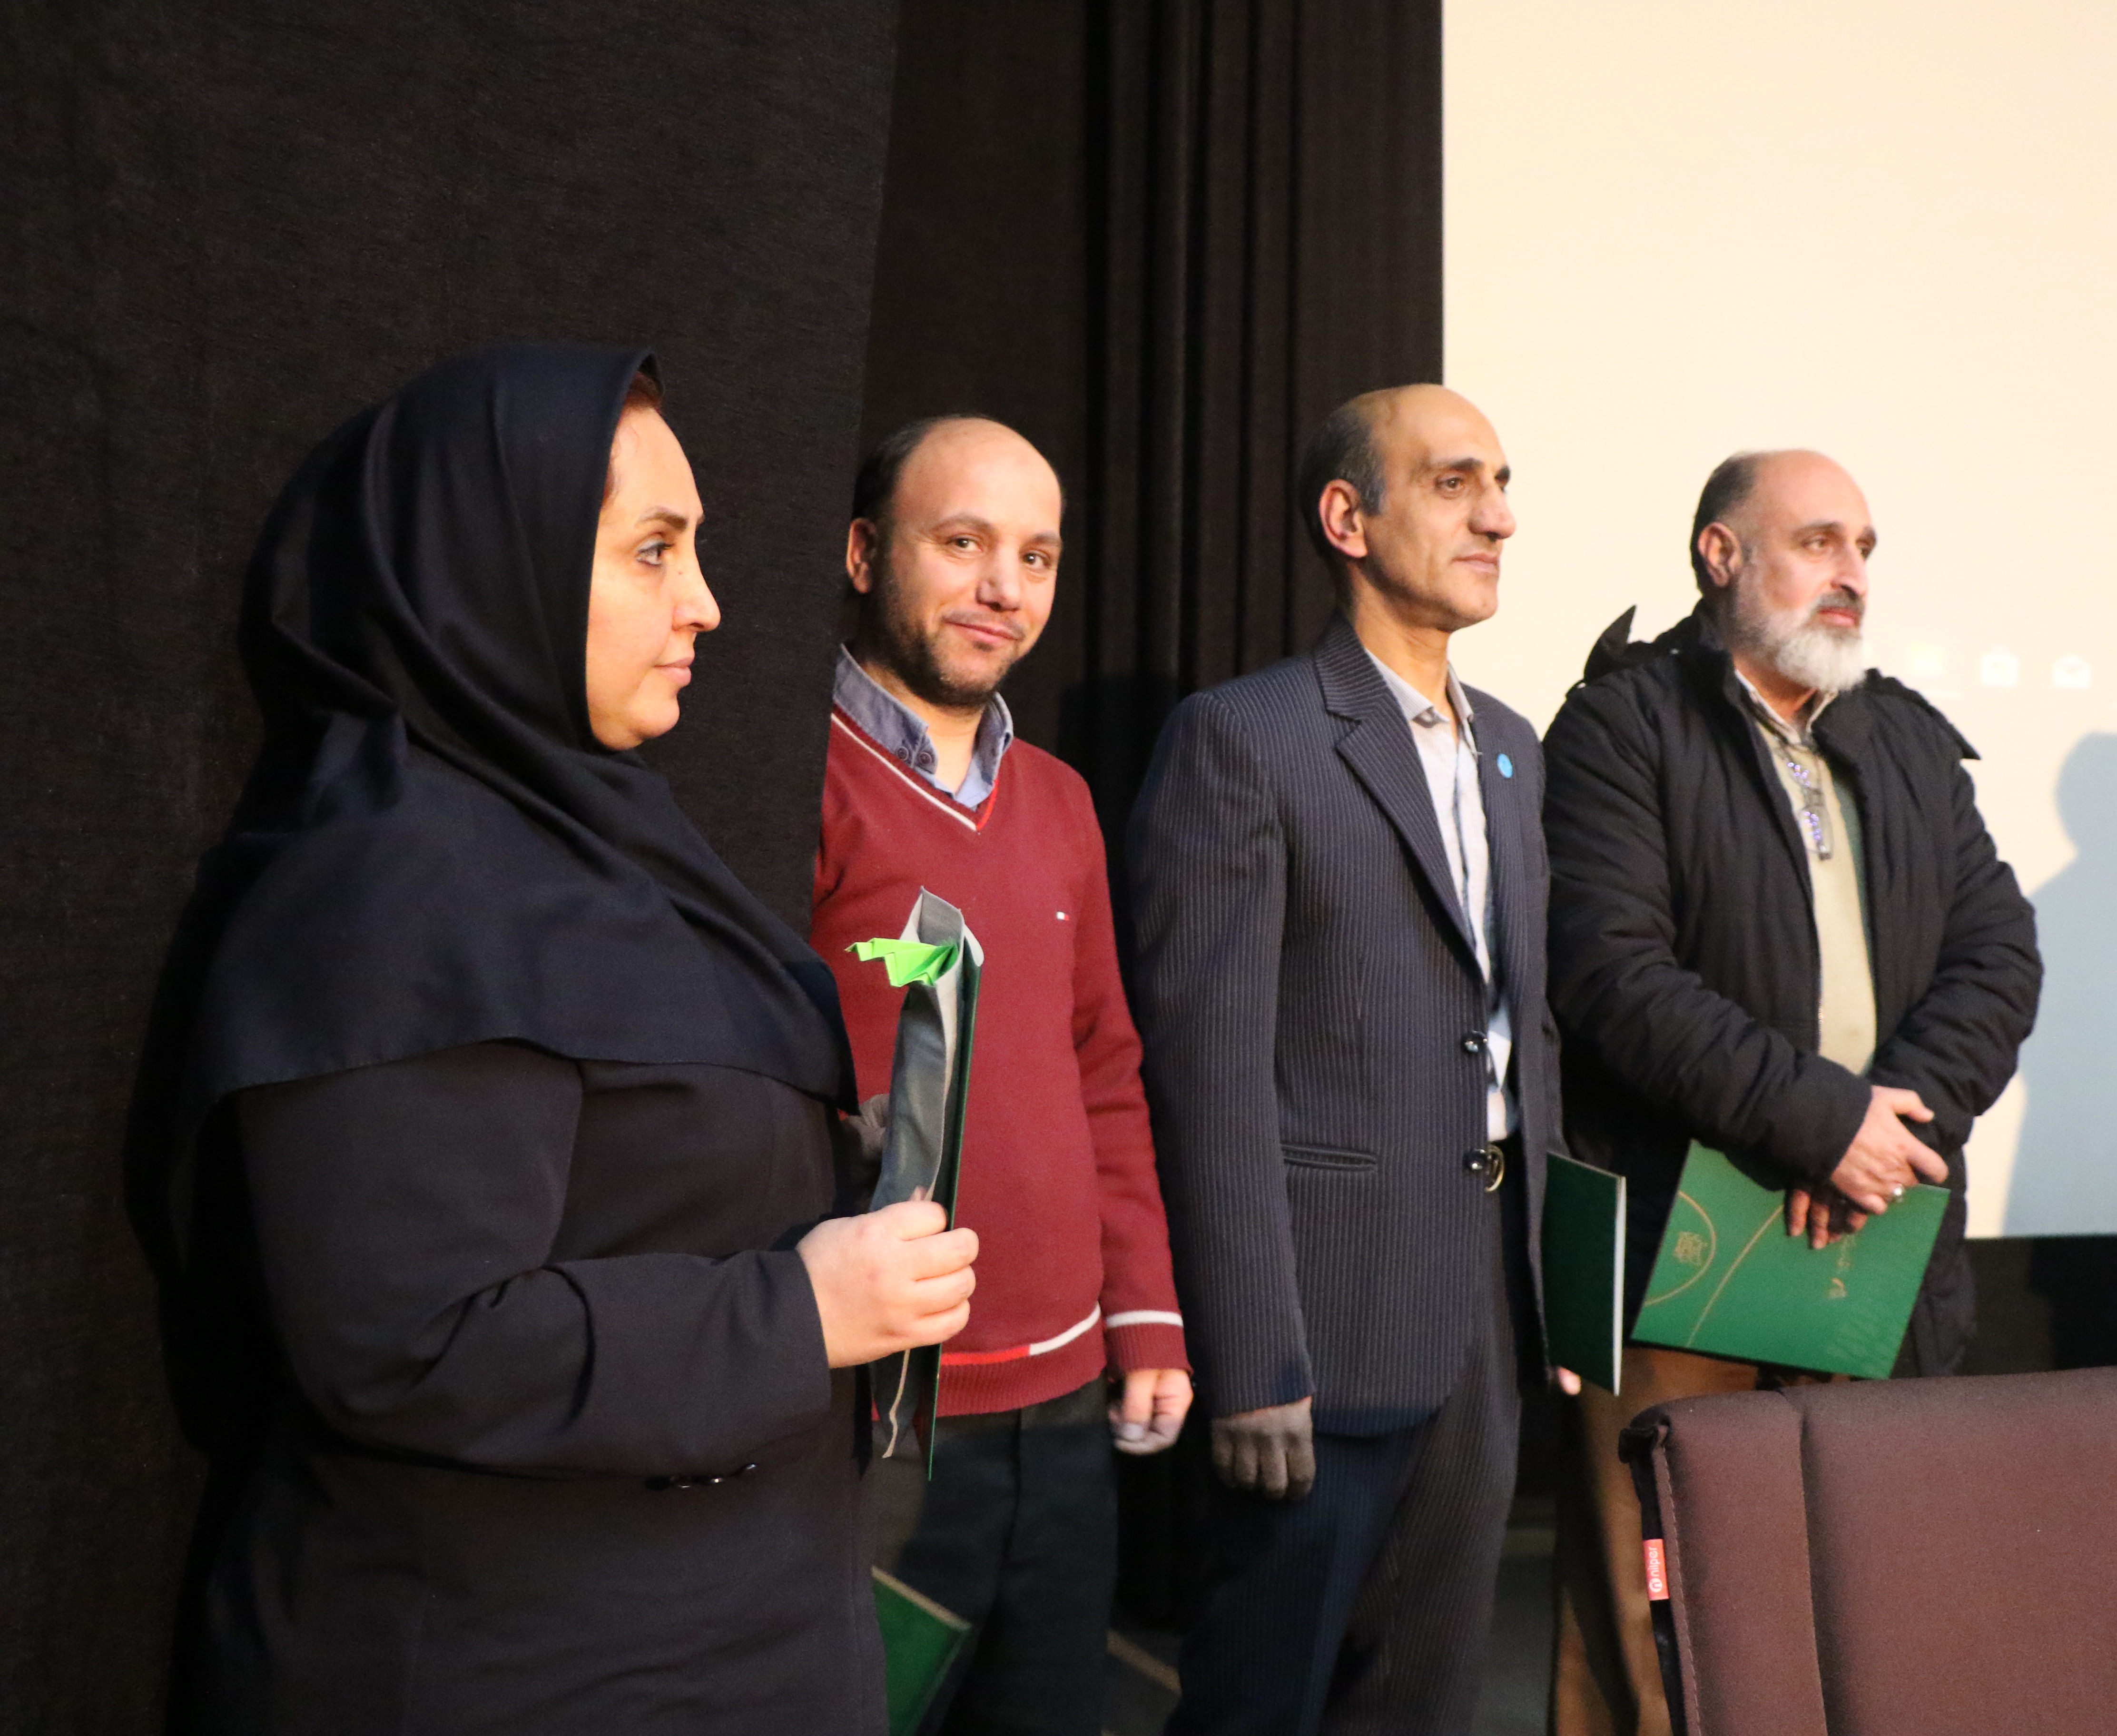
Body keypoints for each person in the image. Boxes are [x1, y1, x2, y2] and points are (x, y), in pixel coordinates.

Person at [148, 345, 979, 1734]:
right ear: (496, 567)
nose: (706, 603)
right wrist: (798, 1312)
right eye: (652, 551)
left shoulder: (614, 846)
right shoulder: (392, 896)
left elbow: (636, 1177)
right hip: (510, 1671)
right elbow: (414, 1340)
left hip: (704, 1633)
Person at [1539, 449, 2041, 1735]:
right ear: (1721, 555)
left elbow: (2001, 953)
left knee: (1860, 1596)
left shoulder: (1906, 736)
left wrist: (1895, 1125)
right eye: (1820, 542)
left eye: (1864, 548)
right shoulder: (1622, 725)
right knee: (1656, 1612)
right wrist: (1820, 1122)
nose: (1852, 573)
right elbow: (1611, 971)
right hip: (1681, 1243)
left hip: (1878, 1227)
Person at [1126, 385, 1558, 1735]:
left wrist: (1555, 1288)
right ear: (1348, 519)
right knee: (1260, 1707)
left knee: (1427, 1703)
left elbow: (1523, 1033)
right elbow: (1207, 1077)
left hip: (1484, 1321)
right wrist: (1252, 1356)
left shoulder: (1513, 748)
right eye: (1454, 483)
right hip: (1321, 1330)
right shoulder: (1244, 738)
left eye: (1502, 483)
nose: (1499, 517)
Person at [810, 415, 1190, 1733]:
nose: (1002, 587)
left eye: (1036, 556)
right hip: (881, 1419)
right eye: (962, 543)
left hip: (1068, 1409)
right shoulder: (800, 784)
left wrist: (1146, 1311)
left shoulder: (1064, 799)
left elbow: (1105, 1070)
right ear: (866, 554)